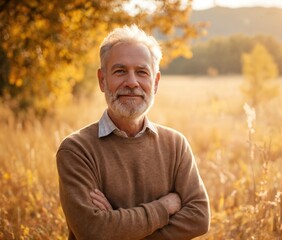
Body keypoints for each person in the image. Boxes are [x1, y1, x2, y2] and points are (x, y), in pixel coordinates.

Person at [56, 24, 210, 240]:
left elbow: (199, 218)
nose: (131, 82)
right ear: (102, 80)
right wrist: (163, 207)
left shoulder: (175, 144)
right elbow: (93, 231)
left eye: (142, 72)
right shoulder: (76, 150)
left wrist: (116, 226)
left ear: (155, 83)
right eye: (120, 71)